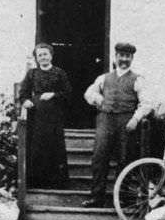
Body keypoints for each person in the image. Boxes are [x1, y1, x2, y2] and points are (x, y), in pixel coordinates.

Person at [81, 42, 152, 208]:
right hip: (105, 119)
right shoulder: (104, 78)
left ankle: (123, 199)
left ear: (132, 58)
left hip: (125, 121)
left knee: (125, 158)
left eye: (128, 56)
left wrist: (135, 119)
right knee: (99, 157)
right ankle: (97, 197)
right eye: (121, 56)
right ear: (116, 57)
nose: (124, 60)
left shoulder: (138, 79)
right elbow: (89, 93)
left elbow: (147, 103)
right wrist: (98, 99)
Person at [19, 42, 72, 188]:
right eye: (39, 55)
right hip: (36, 115)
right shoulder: (32, 73)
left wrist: (53, 94)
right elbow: (23, 93)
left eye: (45, 54)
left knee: (54, 147)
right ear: (36, 58)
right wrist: (26, 101)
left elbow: (68, 93)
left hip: (54, 116)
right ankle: (36, 182)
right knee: (36, 147)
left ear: (51, 56)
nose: (43, 57)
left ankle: (55, 182)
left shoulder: (60, 73)